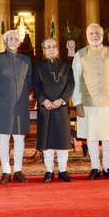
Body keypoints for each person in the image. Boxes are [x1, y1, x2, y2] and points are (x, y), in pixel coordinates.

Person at [72, 23, 109, 179]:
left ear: (102, 35)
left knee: (108, 136)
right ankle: (95, 167)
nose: (94, 36)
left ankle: (108, 167)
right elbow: (75, 80)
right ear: (87, 36)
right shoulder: (80, 54)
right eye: (91, 33)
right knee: (92, 136)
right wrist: (77, 103)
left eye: (97, 33)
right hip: (89, 103)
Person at [0, 29, 32, 184]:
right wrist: (1, 99)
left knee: (20, 138)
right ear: (5, 42)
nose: (13, 41)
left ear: (19, 42)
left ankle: (18, 170)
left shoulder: (26, 60)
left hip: (21, 105)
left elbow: (29, 82)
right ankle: (6, 171)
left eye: (15, 38)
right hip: (3, 105)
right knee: (3, 138)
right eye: (10, 39)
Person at [33, 38, 74, 182]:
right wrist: (44, 100)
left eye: (53, 46)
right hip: (46, 108)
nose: (51, 49)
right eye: (48, 47)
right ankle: (49, 171)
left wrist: (62, 99)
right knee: (47, 141)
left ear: (57, 49)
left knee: (62, 141)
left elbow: (70, 85)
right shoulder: (38, 67)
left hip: (61, 108)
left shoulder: (65, 66)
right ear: (43, 50)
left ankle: (63, 170)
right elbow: (36, 87)